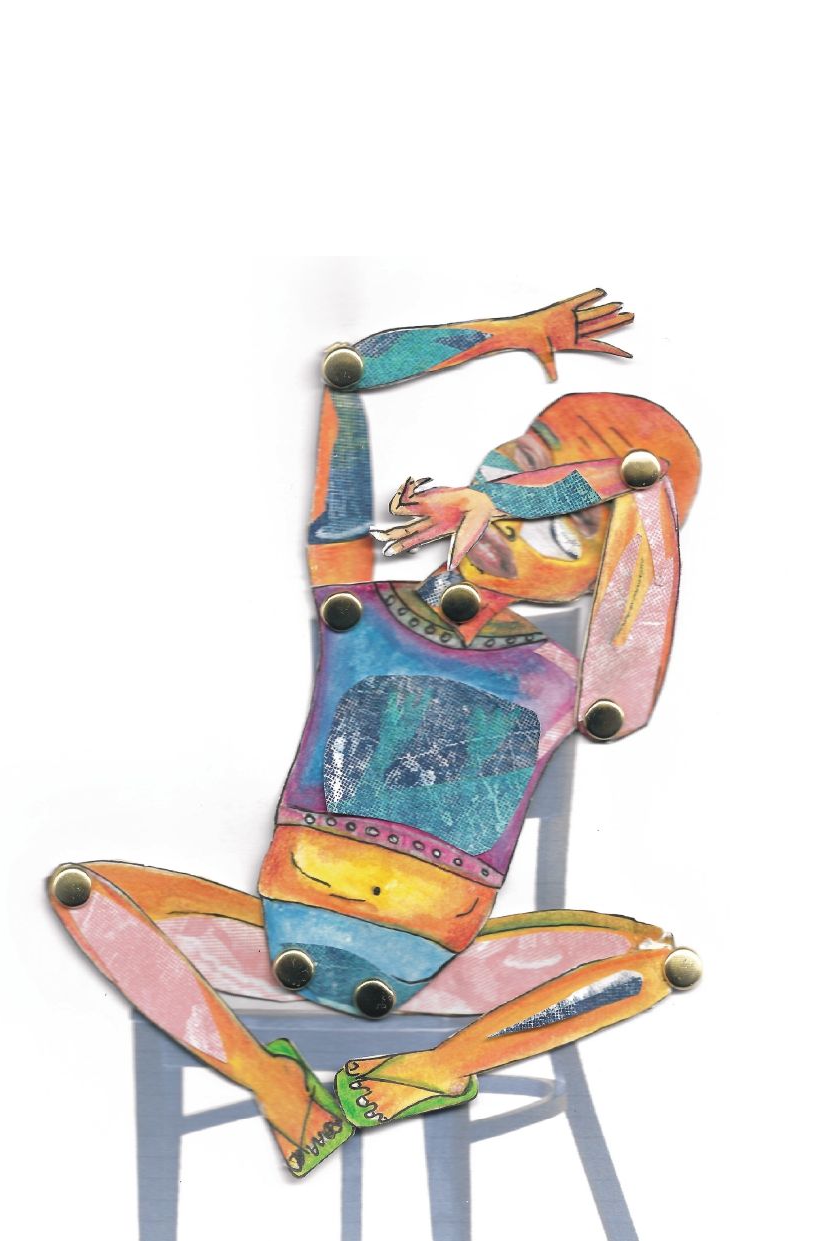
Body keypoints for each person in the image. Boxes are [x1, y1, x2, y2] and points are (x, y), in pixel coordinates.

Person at [49, 289, 701, 1176]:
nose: (512, 525)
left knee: (650, 962)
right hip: (277, 939)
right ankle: (274, 1085)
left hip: (440, 969)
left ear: (609, 563)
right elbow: (347, 378)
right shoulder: (355, 602)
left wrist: (575, 491)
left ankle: (425, 1073)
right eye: (517, 465)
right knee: (87, 893)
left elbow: (640, 572)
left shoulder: (571, 684)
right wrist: (511, 335)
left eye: (572, 527)